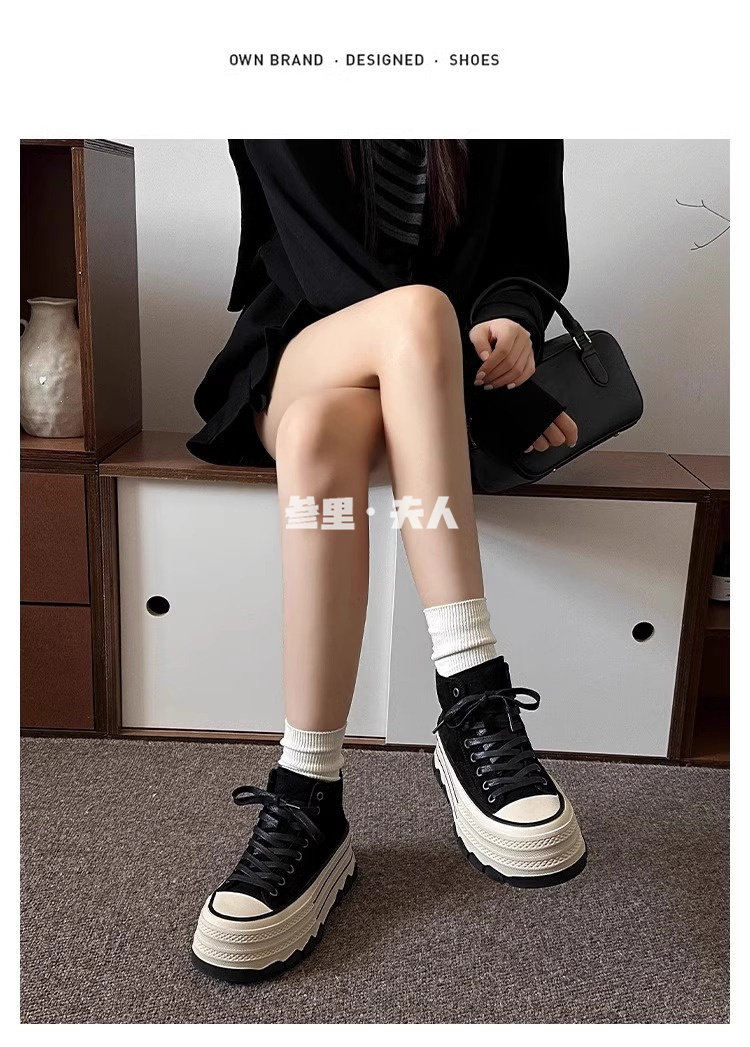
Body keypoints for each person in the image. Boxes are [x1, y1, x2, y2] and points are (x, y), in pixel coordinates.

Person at [188, 140, 587, 983]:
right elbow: (316, 254)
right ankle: (472, 691)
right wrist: (488, 398)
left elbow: (529, 240)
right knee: (416, 314)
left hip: (414, 381)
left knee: (317, 439)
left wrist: (511, 322)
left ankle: (310, 789)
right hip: (307, 345)